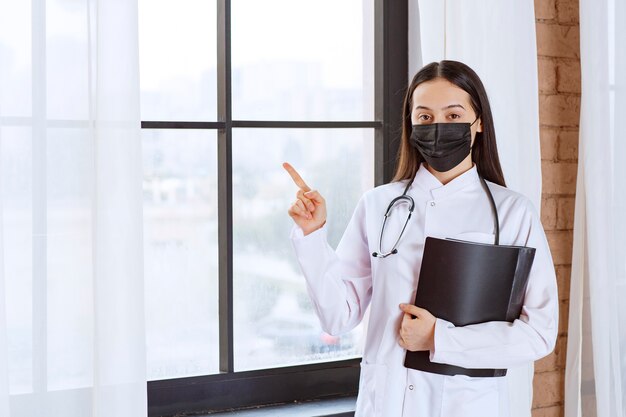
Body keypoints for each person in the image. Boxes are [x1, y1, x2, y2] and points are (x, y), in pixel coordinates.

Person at [283, 60, 558, 417]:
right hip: (386, 402)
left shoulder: (512, 212)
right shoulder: (378, 204)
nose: (439, 127)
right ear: (411, 125)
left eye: (454, 115)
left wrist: (438, 339)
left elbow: (539, 333)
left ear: (479, 124)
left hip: (468, 406)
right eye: (425, 117)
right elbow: (339, 317)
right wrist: (312, 237)